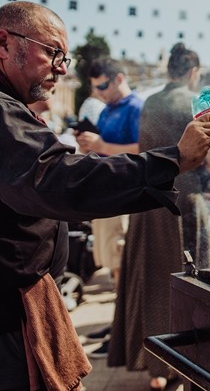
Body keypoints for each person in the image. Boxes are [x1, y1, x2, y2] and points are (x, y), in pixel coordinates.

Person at [0, 1, 210, 391]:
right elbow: (59, 180)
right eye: (53, 52)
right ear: (3, 42)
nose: (63, 68)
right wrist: (173, 160)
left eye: (66, 57)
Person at [107, 43, 210, 390]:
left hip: (148, 206)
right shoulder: (193, 105)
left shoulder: (151, 102)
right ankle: (189, 366)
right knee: (192, 287)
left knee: (153, 285)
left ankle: (157, 369)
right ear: (193, 72)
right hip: (182, 206)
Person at [76, 58, 143, 293]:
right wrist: (88, 145)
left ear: (120, 79)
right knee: (108, 258)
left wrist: (102, 144)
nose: (99, 92)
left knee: (120, 254)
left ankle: (121, 321)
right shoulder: (106, 110)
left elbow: (143, 149)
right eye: (96, 87)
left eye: (103, 86)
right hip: (106, 192)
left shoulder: (136, 107)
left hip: (125, 193)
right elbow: (102, 147)